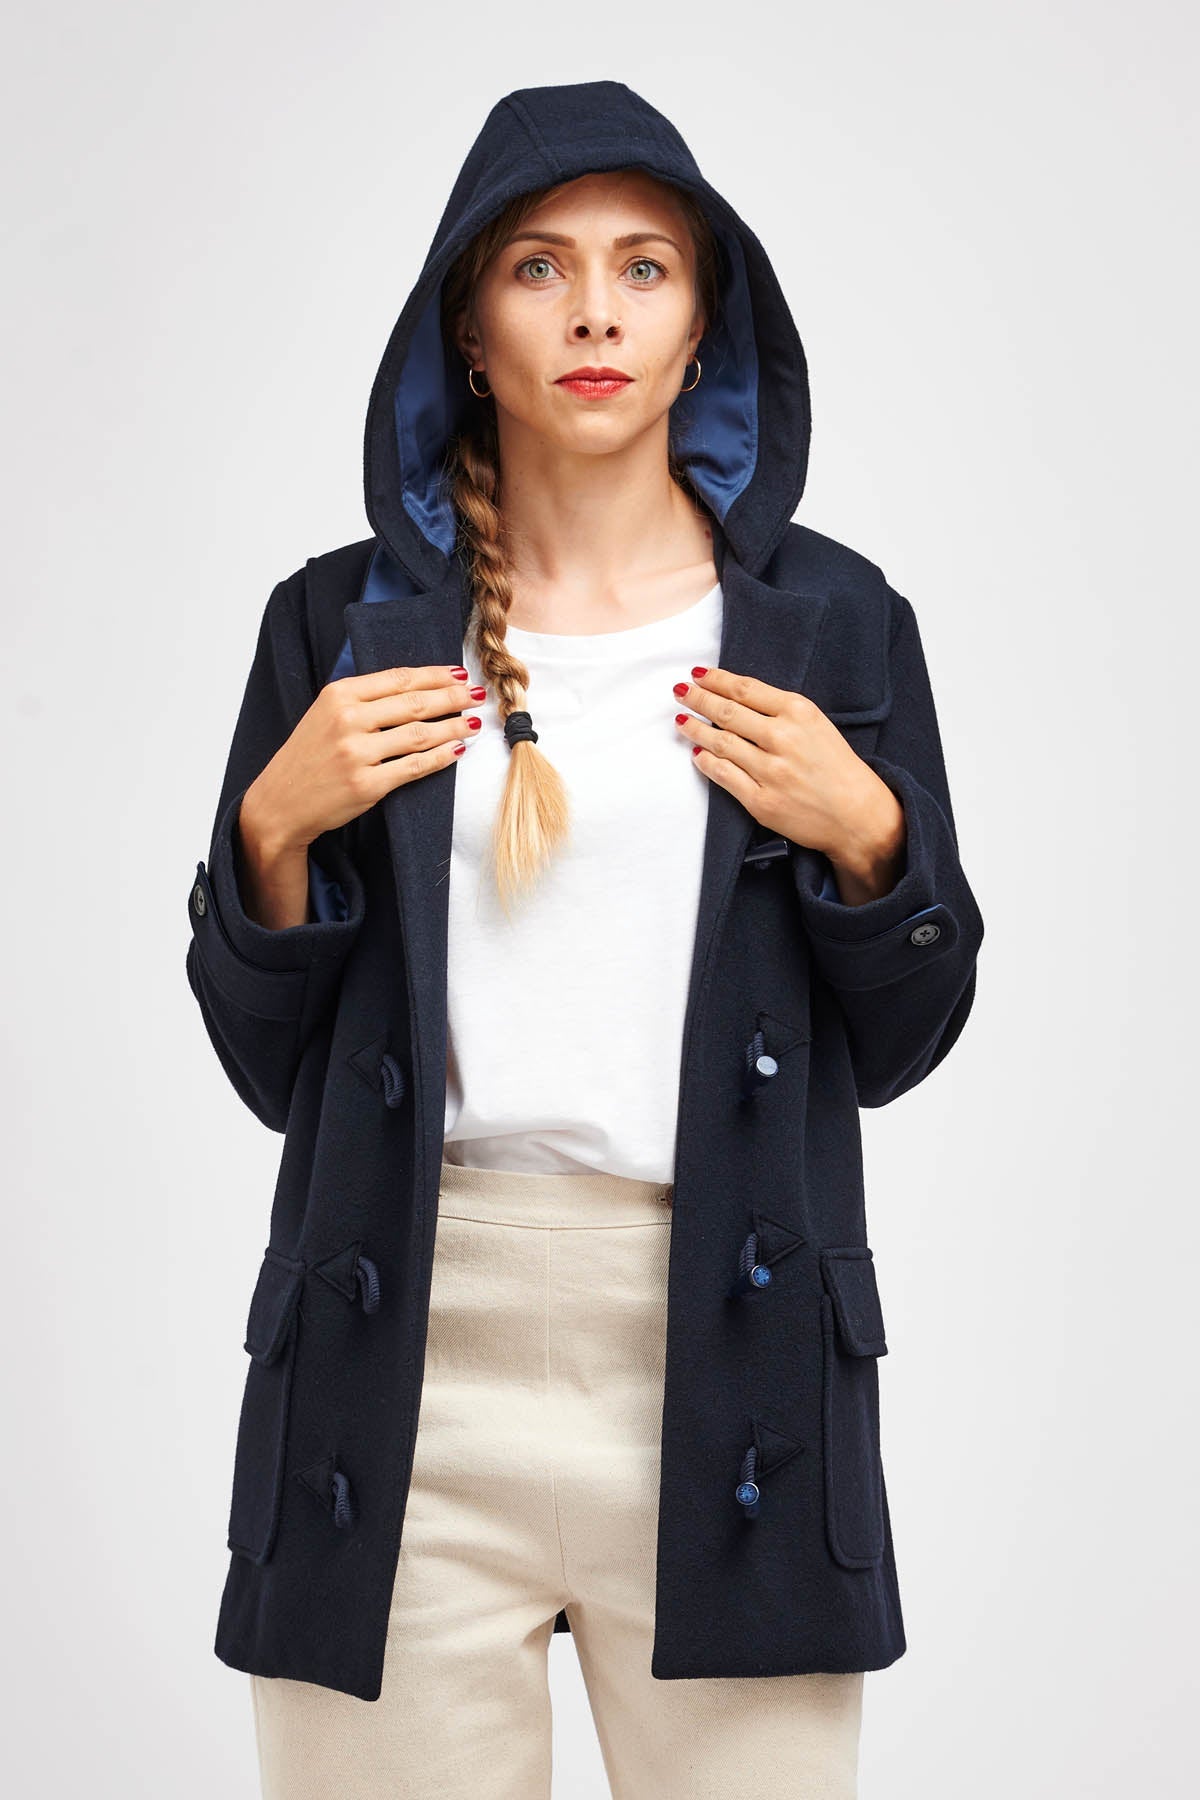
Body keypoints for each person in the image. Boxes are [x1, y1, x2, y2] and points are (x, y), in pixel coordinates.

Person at [187, 78, 984, 1800]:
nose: (597, 312)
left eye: (645, 268)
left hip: (735, 1367)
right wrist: (271, 833)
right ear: (470, 331)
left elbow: (909, 1038)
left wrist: (871, 836)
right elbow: (263, 1067)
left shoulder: (836, 623)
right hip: (396, 1375)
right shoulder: (333, 626)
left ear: (707, 330)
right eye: (540, 268)